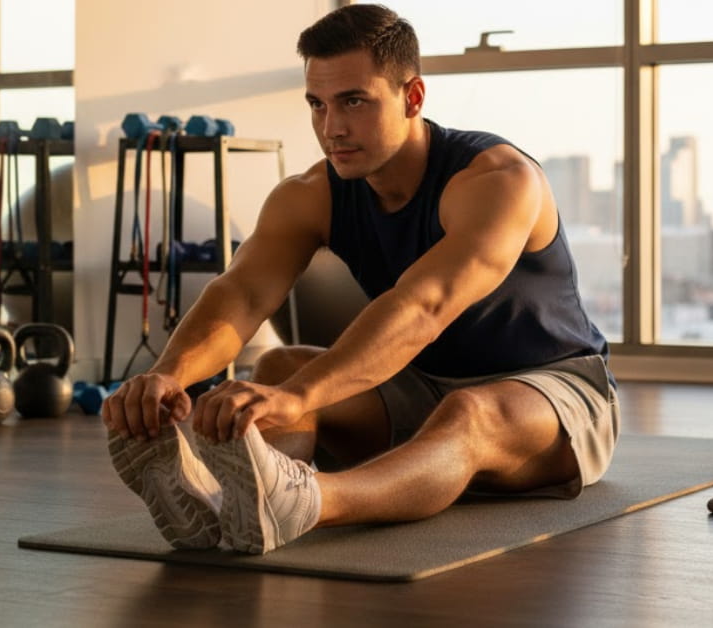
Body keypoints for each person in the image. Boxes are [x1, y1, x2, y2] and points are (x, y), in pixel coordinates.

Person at [102, 3, 619, 555]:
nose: (332, 128)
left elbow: (423, 308)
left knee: (467, 413)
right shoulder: (311, 194)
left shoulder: (498, 181)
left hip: (551, 395)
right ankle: (236, 502)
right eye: (317, 105)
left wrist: (299, 398)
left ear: (412, 97)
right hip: (420, 383)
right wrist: (169, 377)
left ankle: (310, 502)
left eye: (354, 101)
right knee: (275, 369)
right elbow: (243, 291)